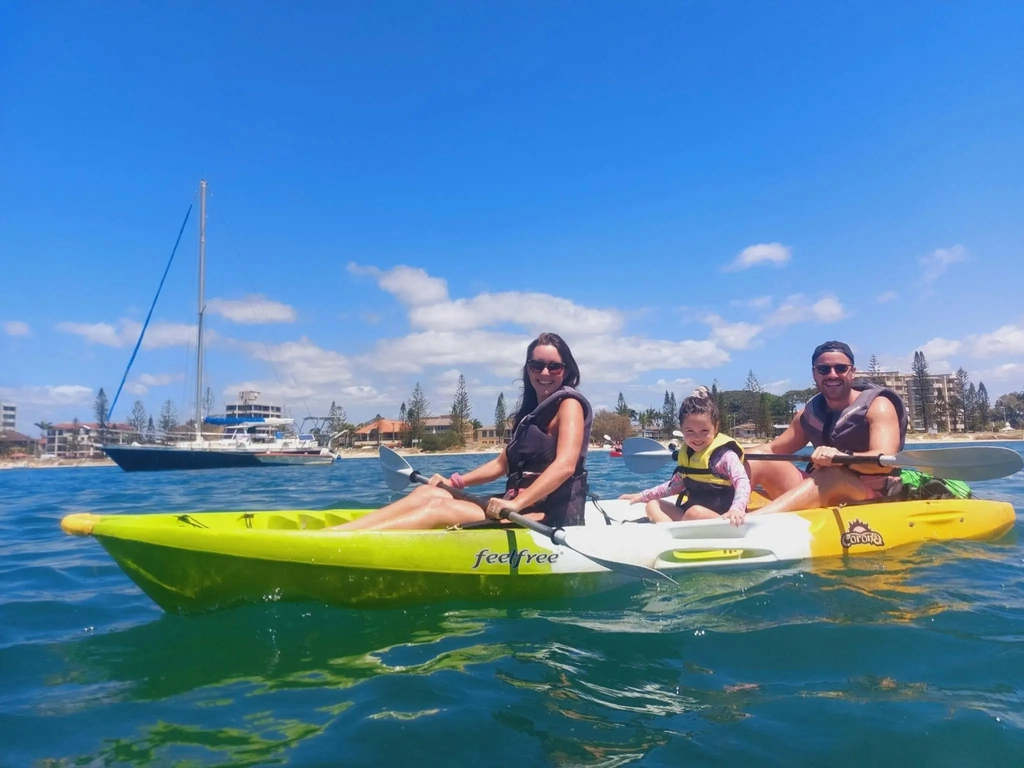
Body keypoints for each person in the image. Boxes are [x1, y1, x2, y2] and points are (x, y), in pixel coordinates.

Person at [332, 332, 593, 531]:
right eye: (537, 365)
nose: (545, 372)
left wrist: (515, 504)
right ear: (528, 369)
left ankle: (343, 541)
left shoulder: (569, 405)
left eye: (554, 366)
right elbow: (502, 464)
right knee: (430, 492)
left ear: (565, 371)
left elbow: (565, 466)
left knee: (438, 508)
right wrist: (455, 482)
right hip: (515, 505)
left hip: (544, 514)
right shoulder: (532, 413)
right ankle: (340, 534)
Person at [747, 340, 908, 515]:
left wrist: (842, 458)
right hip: (822, 486)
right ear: (814, 373)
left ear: (852, 372)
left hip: (870, 494)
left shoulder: (878, 406)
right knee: (757, 457)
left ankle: (753, 521)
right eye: (824, 369)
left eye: (840, 368)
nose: (832, 375)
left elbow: (885, 461)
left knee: (832, 474)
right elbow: (771, 450)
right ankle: (729, 511)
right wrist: (731, 452)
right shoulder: (808, 415)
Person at [618, 387, 751, 526]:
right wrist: (642, 495)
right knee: (653, 504)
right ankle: (671, 531)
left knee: (694, 513)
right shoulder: (687, 456)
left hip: (723, 518)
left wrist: (737, 508)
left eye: (704, 431)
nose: (697, 437)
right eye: (690, 431)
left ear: (715, 428)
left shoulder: (725, 456)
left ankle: (673, 531)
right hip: (691, 517)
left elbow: (742, 482)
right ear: (681, 429)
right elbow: (673, 487)